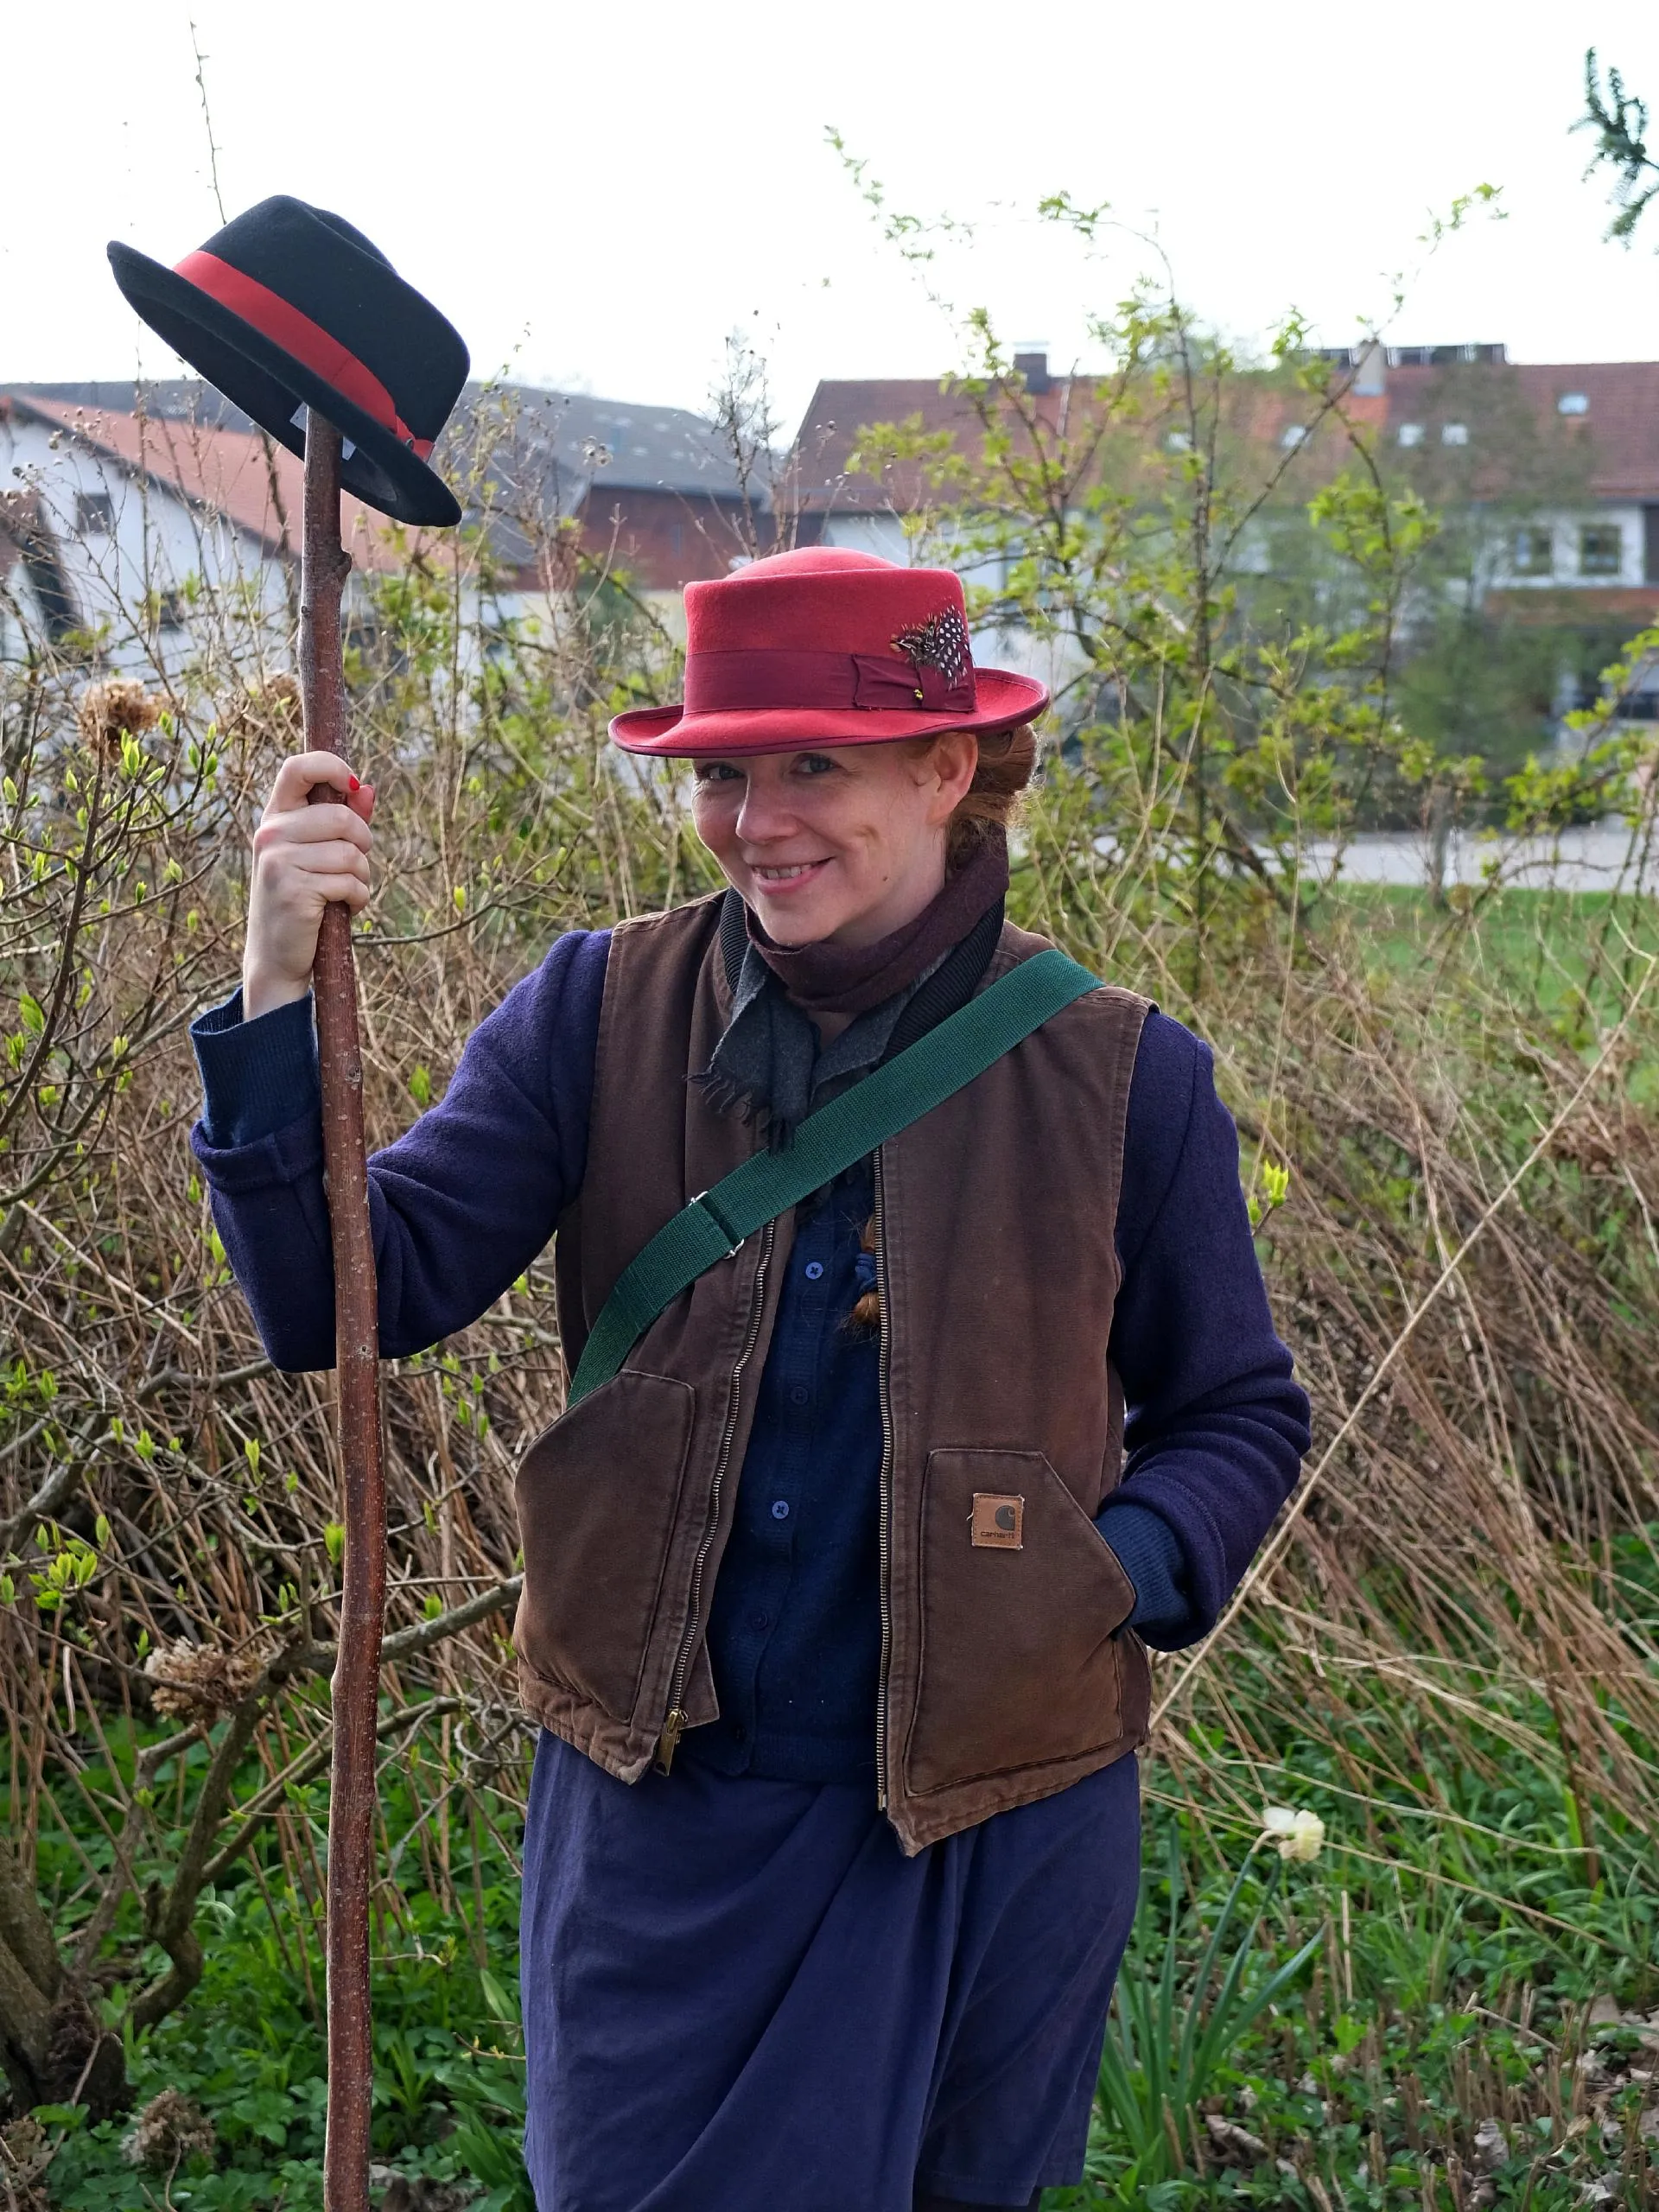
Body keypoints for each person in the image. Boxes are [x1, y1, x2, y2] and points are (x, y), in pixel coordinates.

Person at [192, 546, 1309, 2212]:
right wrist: (278, 985)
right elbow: (338, 1299)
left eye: (811, 767)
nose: (754, 822)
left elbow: (1237, 1413)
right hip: (663, 1815)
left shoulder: (1122, 1074)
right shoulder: (597, 1012)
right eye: (720, 774)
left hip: (992, 1827)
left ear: (946, 770)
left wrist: (1105, 1575)